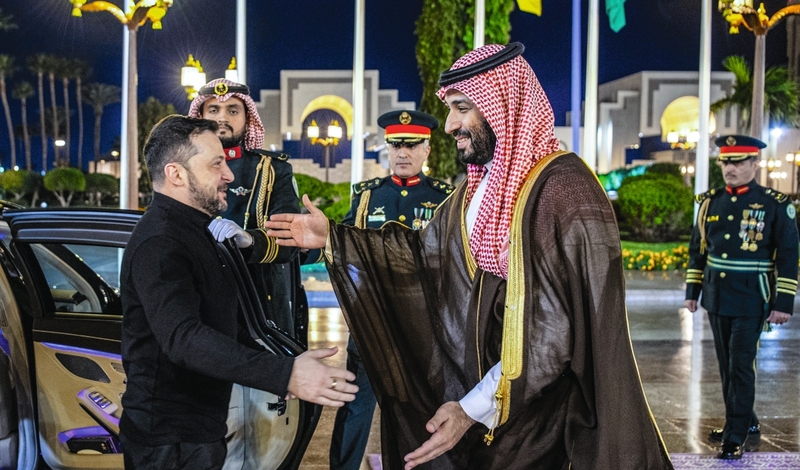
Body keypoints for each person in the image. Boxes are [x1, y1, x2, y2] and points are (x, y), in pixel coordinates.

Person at [265, 43, 672, 469]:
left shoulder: (563, 190)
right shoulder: (476, 189)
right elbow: (421, 256)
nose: (449, 125)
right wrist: (334, 237)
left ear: (503, 105)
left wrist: (471, 408)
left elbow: (552, 333)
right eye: (450, 109)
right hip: (480, 407)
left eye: (462, 108)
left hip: (539, 421)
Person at [119, 115, 357, 470]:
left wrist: (288, 365)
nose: (229, 175)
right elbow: (185, 338)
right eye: (216, 164)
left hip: (199, 431)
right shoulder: (160, 242)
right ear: (176, 174)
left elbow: (223, 323)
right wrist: (284, 374)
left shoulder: (196, 231)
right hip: (169, 442)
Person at [188, 79, 313, 469]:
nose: (222, 118)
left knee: (264, 445)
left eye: (232, 110)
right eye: (213, 110)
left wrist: (249, 240)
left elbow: (291, 242)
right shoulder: (184, 167)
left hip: (259, 320)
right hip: (201, 322)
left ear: (248, 118)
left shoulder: (272, 170)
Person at [330, 110, 454, 470]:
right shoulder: (367, 196)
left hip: (422, 324)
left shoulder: (444, 198)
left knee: (421, 410)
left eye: (412, 145)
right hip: (371, 318)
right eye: (396, 144)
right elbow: (344, 245)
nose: (403, 152)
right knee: (355, 406)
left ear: (426, 149)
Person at [685, 134, 798, 460]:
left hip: (752, 297)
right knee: (726, 365)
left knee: (741, 366)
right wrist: (693, 291)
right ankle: (745, 420)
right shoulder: (711, 202)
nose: (729, 169)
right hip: (717, 296)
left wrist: (783, 303)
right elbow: (699, 250)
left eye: (737, 162)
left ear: (754, 164)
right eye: (725, 162)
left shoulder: (775, 203)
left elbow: (788, 255)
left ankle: (735, 435)